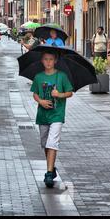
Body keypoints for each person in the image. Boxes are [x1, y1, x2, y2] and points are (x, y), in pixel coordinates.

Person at [31, 51, 73, 188]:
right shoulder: (38, 77)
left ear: (55, 61)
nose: (48, 62)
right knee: (45, 143)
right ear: (42, 61)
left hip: (57, 115)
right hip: (42, 115)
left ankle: (49, 173)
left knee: (52, 142)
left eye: (51, 59)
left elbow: (69, 92)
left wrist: (59, 94)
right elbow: (35, 93)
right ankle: (52, 167)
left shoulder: (61, 76)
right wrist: (41, 101)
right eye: (45, 59)